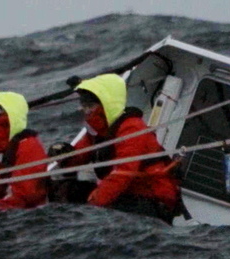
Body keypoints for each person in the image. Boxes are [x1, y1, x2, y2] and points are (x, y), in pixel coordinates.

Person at [49, 74, 183, 224]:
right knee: (59, 190)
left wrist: (93, 207)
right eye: (84, 106)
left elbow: (123, 174)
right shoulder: (99, 130)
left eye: (90, 106)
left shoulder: (132, 128)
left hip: (151, 201)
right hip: (126, 194)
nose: (86, 111)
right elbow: (79, 156)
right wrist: (64, 157)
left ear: (106, 105)